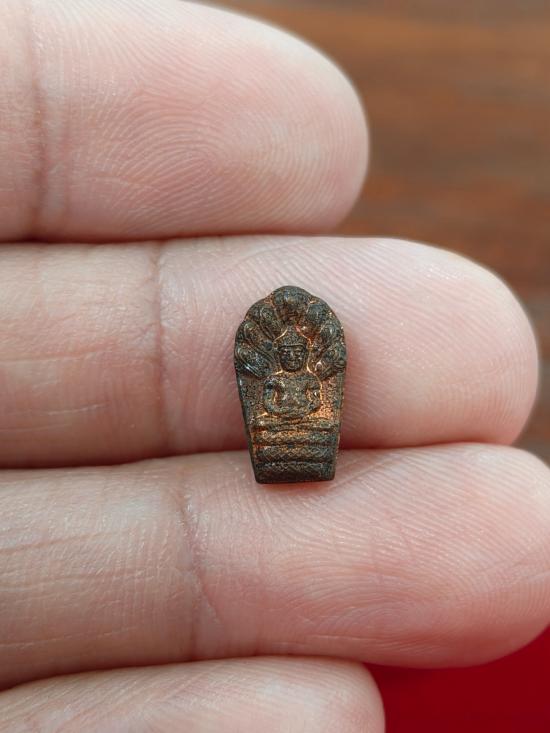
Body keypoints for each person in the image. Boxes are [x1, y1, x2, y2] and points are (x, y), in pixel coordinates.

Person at [0, 0, 548, 730]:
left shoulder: (308, 374)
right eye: (284, 352)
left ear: (308, 350)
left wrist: (299, 397)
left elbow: (308, 398)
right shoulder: (280, 373)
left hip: (303, 441)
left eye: (298, 351)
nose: (291, 356)